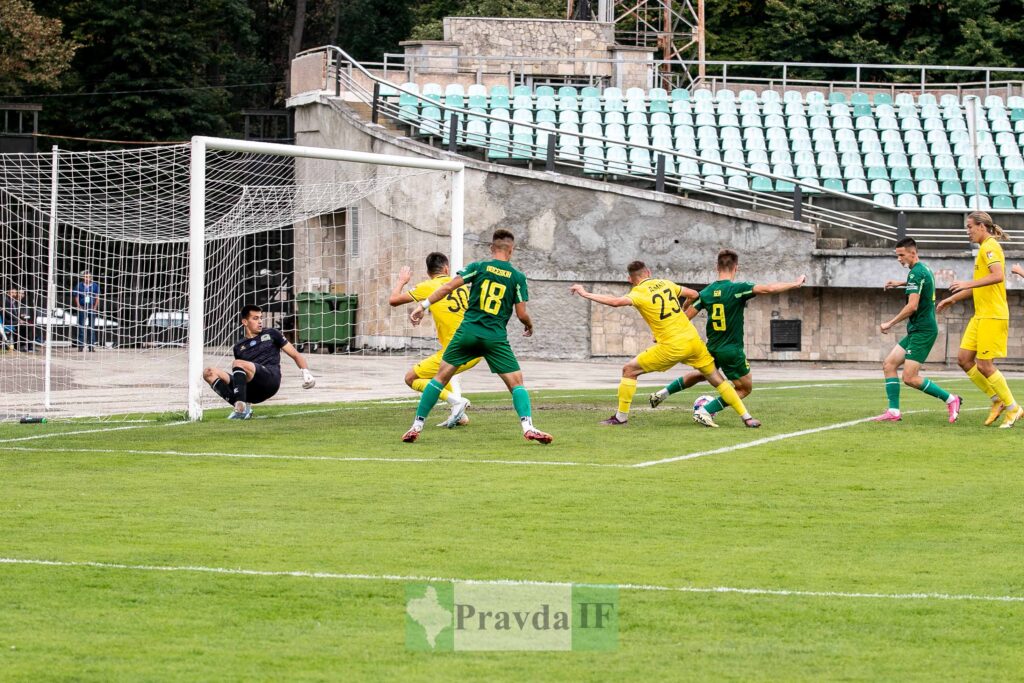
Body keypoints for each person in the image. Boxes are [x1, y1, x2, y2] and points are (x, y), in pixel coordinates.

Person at [400, 229, 552, 444]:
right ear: (512, 249)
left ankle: (416, 426)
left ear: (492, 248)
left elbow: (447, 287)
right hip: (495, 338)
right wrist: (529, 325)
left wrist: (423, 306)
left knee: (439, 379)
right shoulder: (517, 277)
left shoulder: (478, 267)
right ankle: (528, 427)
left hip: (467, 334)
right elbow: (521, 313)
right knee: (517, 384)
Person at [570, 260, 761, 428]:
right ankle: (747, 417)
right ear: (649, 273)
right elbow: (694, 294)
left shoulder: (638, 292)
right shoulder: (666, 283)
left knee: (629, 370)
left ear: (630, 279)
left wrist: (585, 293)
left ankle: (620, 418)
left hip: (672, 346)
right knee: (717, 380)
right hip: (693, 341)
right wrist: (684, 307)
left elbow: (615, 302)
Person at [647, 249, 805, 419]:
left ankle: (662, 393)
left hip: (711, 348)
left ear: (717, 267)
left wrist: (662, 335)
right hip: (731, 350)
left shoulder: (706, 293)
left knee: (702, 374)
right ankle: (706, 410)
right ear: (736, 267)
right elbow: (769, 288)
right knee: (744, 388)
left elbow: (684, 319)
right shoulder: (738, 289)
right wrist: (794, 284)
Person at [936, 211, 1022, 428]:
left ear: (982, 226)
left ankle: (1013, 408)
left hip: (993, 315)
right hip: (981, 315)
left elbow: (998, 276)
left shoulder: (991, 246)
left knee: (985, 364)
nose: (968, 231)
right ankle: (997, 400)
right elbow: (980, 284)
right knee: (964, 359)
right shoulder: (983, 249)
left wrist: (966, 283)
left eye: (970, 227)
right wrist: (953, 299)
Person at [872, 238, 962, 422]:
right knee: (889, 365)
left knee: (910, 377)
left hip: (923, 330)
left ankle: (952, 399)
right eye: (897, 255)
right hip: (917, 329)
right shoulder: (923, 270)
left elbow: (912, 306)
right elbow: (922, 283)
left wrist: (890, 323)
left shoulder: (916, 273)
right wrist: (900, 283)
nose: (898, 259)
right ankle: (894, 411)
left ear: (913, 253)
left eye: (901, 255)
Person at [388, 252, 480, 428]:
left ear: (429, 272)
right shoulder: (460, 285)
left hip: (458, 349)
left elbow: (393, 300)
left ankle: (456, 401)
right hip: (476, 345)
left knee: (410, 378)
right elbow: (444, 303)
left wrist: (402, 281)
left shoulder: (428, 286)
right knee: (445, 374)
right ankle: (460, 415)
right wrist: (422, 308)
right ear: (446, 268)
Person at [203, 304, 315, 419]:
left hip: (270, 380)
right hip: (252, 390)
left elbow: (296, 355)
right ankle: (243, 407)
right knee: (209, 372)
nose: (260, 321)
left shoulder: (272, 334)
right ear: (245, 322)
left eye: (261, 318)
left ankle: (240, 409)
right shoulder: (238, 347)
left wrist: (306, 372)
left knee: (238, 363)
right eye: (255, 318)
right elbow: (240, 376)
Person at [74, 270, 100, 352]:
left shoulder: (95, 286)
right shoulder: (79, 285)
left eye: (89, 277)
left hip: (91, 307)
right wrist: (78, 306)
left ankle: (91, 346)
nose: (87, 278)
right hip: (82, 307)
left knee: (91, 327)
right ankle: (81, 345)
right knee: (81, 326)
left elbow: (97, 297)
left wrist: (95, 307)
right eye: (85, 277)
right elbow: (76, 296)